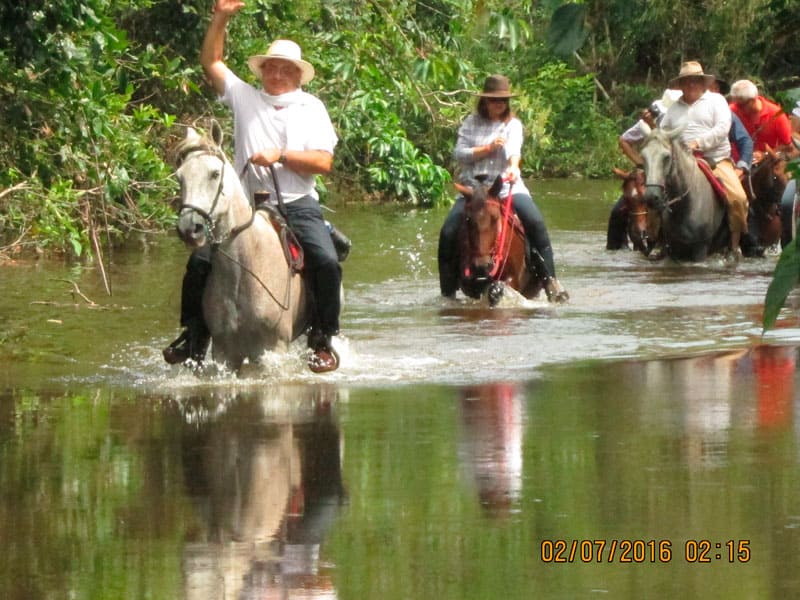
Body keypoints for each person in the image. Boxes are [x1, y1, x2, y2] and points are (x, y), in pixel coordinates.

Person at [163, 0, 342, 372]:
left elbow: (323, 162)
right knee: (199, 263)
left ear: (297, 74)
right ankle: (194, 334)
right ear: (262, 71)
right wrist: (221, 17)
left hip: (297, 202)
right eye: (270, 67)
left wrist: (280, 155)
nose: (276, 73)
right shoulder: (246, 96)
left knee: (325, 262)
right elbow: (212, 62)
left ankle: (323, 339)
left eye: (284, 69)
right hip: (246, 206)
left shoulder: (312, 108)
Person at [437, 75, 568, 302]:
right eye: (494, 100)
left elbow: (513, 152)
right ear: (485, 101)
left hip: (506, 188)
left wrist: (513, 167)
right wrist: (486, 149)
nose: (499, 104)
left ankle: (551, 282)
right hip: (473, 190)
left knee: (536, 223)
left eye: (503, 100)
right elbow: (459, 153)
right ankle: (447, 291)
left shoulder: (512, 125)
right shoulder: (471, 123)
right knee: (448, 232)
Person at [659, 61, 749, 257]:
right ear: (681, 85)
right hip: (681, 163)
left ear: (702, 83)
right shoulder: (674, 109)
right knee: (653, 194)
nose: (691, 84)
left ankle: (734, 245)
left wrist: (698, 143)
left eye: (695, 80)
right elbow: (663, 133)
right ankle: (658, 241)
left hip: (714, 159)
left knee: (738, 199)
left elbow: (722, 128)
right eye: (686, 81)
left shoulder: (717, 101)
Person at [729, 79, 794, 161]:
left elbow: (788, 146)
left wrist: (766, 154)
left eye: (741, 105)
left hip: (764, 166)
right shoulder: (732, 110)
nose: (737, 107)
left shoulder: (776, 114)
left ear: (752, 100)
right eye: (736, 104)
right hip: (737, 163)